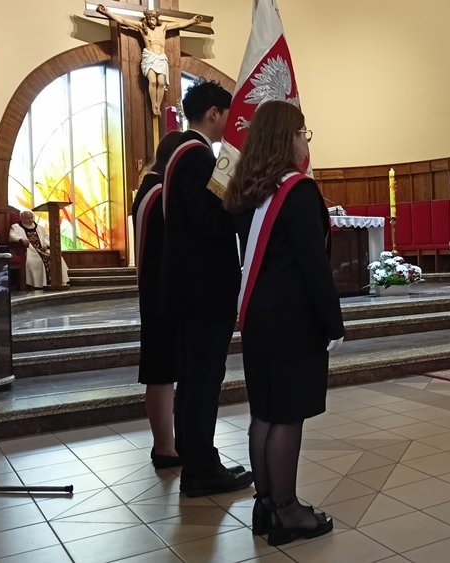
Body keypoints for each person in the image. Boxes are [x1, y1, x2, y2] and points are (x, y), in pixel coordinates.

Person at [224, 100, 343, 546]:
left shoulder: (247, 191)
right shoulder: (299, 192)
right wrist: (334, 323)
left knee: (264, 412)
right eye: (301, 133)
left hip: (258, 315)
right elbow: (314, 266)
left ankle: (267, 504)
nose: (304, 142)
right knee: (288, 415)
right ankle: (288, 512)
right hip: (293, 318)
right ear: (285, 138)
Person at [160, 80, 253, 496]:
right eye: (228, 115)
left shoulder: (181, 153)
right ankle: (201, 467)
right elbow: (211, 223)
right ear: (214, 113)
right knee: (203, 379)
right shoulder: (198, 157)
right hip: (204, 289)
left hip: (189, 287)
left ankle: (198, 459)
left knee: (194, 378)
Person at [130, 131, 183, 469]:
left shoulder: (149, 189)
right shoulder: (160, 193)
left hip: (156, 292)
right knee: (161, 370)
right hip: (162, 294)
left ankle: (166, 444)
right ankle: (165, 447)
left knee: (161, 370)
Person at [96, 4, 202, 117]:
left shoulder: (163, 27)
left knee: (161, 83)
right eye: (149, 19)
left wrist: (192, 21)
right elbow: (123, 20)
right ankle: (153, 105)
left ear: (157, 19)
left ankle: (158, 105)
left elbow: (178, 24)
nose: (151, 21)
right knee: (153, 82)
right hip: (150, 57)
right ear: (146, 19)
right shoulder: (142, 27)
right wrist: (107, 12)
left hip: (161, 58)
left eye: (153, 19)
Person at [8, 210, 69, 289]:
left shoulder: (40, 228)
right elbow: (12, 236)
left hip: (42, 250)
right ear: (22, 218)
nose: (31, 220)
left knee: (56, 258)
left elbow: (47, 238)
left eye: (32, 218)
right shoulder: (16, 227)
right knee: (36, 261)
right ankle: (39, 283)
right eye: (28, 218)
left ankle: (59, 281)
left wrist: (46, 245)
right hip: (29, 251)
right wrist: (21, 239)